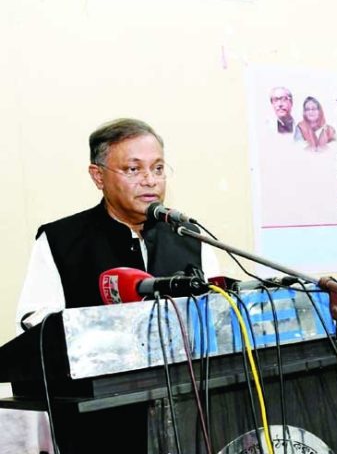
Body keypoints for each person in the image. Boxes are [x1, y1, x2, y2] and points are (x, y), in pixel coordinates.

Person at [14, 118, 220, 453]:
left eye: (157, 168)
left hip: (189, 416)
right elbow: (37, 323)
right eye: (133, 169)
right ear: (98, 176)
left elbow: (218, 315)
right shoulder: (61, 240)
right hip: (101, 422)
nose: (150, 181)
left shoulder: (190, 237)